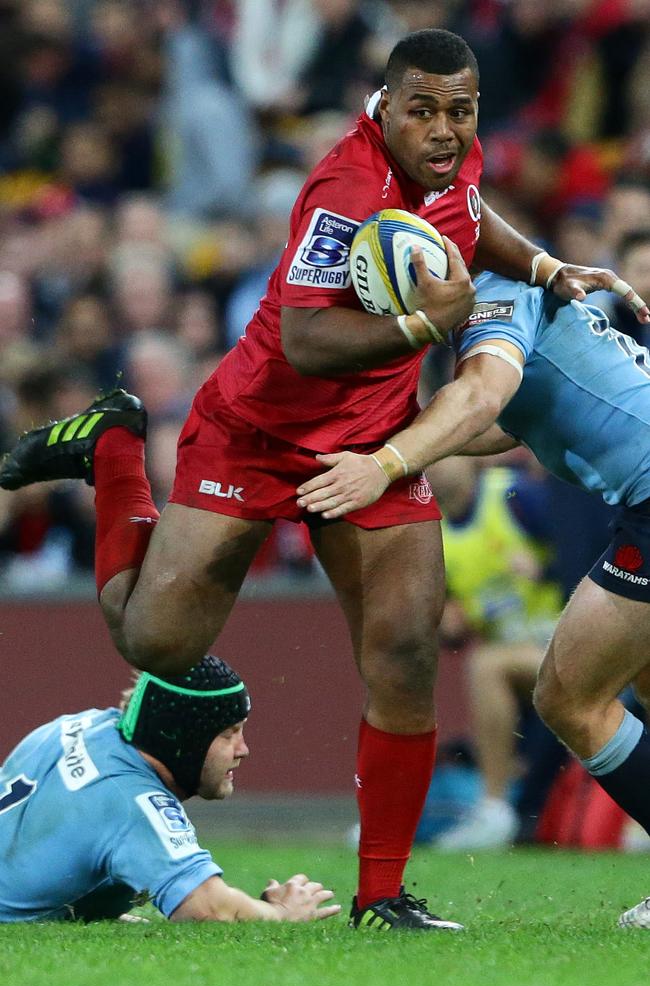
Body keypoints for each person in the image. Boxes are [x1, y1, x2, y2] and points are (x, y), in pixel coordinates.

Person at [0, 28, 646, 932]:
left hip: (373, 438)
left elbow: (468, 211)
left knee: (408, 655)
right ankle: (113, 447)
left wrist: (540, 264)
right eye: (424, 110)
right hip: (257, 434)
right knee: (156, 643)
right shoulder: (345, 188)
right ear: (386, 107)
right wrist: (428, 329)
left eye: (461, 112)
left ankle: (381, 898)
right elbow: (307, 340)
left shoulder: (450, 154)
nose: (447, 130)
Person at [295, 269, 650, 926]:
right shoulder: (507, 297)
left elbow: (484, 401)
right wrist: (401, 437)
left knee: (570, 697)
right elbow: (508, 421)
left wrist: (383, 463)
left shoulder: (493, 296)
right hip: (640, 494)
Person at [0, 654, 340, 924]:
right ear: (182, 739)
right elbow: (209, 908)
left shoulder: (79, 725)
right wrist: (282, 914)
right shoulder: (132, 803)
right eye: (228, 733)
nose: (243, 750)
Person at [425, 457, 562, 850]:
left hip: (568, 640)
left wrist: (547, 569)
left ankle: (494, 807)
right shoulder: (432, 534)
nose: (439, 464)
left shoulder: (515, 494)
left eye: (447, 451)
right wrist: (447, 624)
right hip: (521, 667)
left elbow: (587, 548)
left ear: (471, 456)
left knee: (486, 665)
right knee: (487, 662)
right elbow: (450, 627)